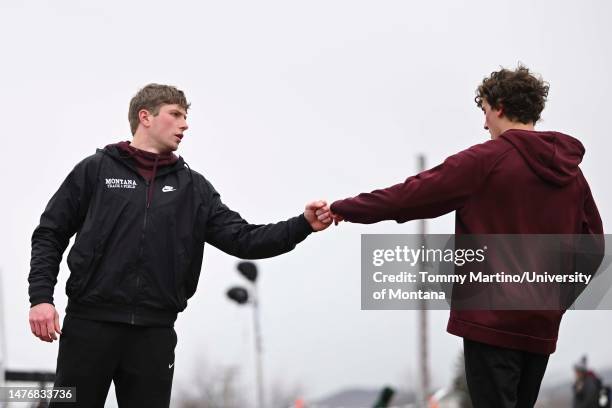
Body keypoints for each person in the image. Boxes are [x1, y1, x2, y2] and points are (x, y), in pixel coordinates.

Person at [28, 84, 333, 407]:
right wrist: (41, 298)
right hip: (89, 326)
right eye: (175, 115)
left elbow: (244, 239)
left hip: (154, 333)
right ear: (145, 117)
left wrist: (303, 225)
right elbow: (50, 232)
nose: (184, 124)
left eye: (185, 117)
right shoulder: (95, 170)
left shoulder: (193, 188)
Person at [328, 65, 603, 407]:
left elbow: (410, 196)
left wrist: (346, 208)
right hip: (540, 326)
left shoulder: (487, 160)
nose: (485, 123)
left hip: (491, 321)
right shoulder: (572, 175)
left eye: (485, 111)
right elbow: (593, 246)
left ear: (499, 107)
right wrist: (553, 299)